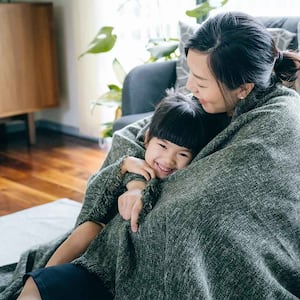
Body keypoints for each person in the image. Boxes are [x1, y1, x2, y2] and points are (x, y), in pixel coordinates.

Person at [17, 11, 300, 300]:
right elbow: (133, 136)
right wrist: (136, 181)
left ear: (243, 89)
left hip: (183, 258)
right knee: (39, 285)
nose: (190, 87)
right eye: (191, 74)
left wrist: (144, 197)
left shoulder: (277, 125)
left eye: (201, 82)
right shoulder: (210, 101)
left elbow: (197, 212)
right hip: (119, 249)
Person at [17, 90, 229, 300]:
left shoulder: (182, 183)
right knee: (82, 237)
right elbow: (94, 201)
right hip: (95, 247)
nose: (168, 160)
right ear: (147, 140)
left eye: (182, 154)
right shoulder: (134, 165)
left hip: (117, 265)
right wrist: (123, 167)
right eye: (162, 146)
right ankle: (46, 275)